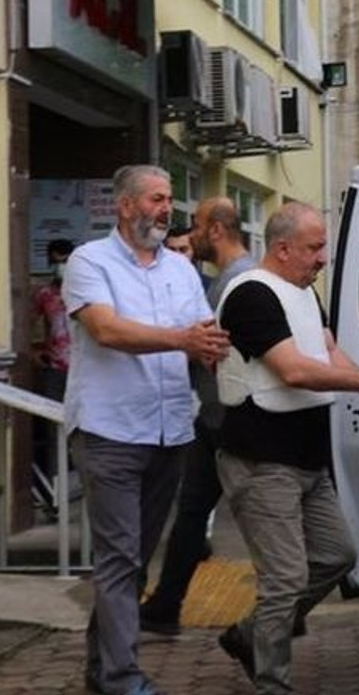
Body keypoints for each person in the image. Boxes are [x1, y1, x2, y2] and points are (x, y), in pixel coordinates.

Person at [214, 201, 359, 694]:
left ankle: (251, 633)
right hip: (261, 462)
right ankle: (271, 683)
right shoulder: (252, 296)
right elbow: (294, 370)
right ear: (282, 249)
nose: (323, 258)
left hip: (305, 458)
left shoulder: (302, 292)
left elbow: (325, 350)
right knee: (284, 579)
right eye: (315, 248)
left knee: (338, 556)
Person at [62, 164, 229, 695]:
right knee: (120, 557)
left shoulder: (181, 271)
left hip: (170, 431)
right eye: (156, 198)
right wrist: (183, 341)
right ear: (126, 206)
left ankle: (100, 667)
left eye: (170, 200)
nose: (167, 209)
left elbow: (204, 337)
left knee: (133, 563)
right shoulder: (90, 261)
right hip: (109, 431)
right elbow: (106, 330)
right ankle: (122, 678)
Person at [138, 196, 256, 635]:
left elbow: (221, 351)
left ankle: (280, 614)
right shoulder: (224, 278)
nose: (192, 234)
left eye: (199, 226)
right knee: (191, 514)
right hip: (215, 419)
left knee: (259, 520)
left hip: (232, 422)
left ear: (218, 231)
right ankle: (167, 604)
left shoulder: (237, 282)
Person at [31, 238, 74, 482]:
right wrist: (36, 353)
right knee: (52, 428)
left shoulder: (88, 290)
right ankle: (55, 482)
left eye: (66, 262)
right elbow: (29, 325)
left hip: (84, 369)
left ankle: (77, 480)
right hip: (55, 368)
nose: (61, 267)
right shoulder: (45, 295)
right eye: (56, 262)